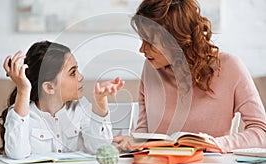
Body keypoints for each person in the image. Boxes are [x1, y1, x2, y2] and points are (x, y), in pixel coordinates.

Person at [113, 0, 266, 153]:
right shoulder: (151, 68)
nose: (142, 49)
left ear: (177, 39)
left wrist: (216, 144)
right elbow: (144, 134)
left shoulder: (229, 67)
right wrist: (133, 142)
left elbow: (262, 132)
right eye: (142, 39)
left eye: (150, 41)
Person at [0, 41, 125, 159]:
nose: (80, 77)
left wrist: (100, 100)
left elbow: (99, 147)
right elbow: (17, 154)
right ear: (49, 87)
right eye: (73, 72)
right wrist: (23, 89)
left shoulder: (80, 108)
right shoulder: (22, 113)